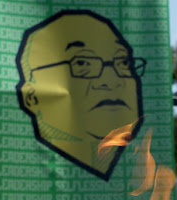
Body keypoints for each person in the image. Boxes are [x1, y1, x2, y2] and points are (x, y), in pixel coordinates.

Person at [16, 10, 145, 180]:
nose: (111, 80)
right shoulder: (27, 179)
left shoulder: (144, 174)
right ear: (31, 96)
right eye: (82, 63)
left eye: (123, 62)